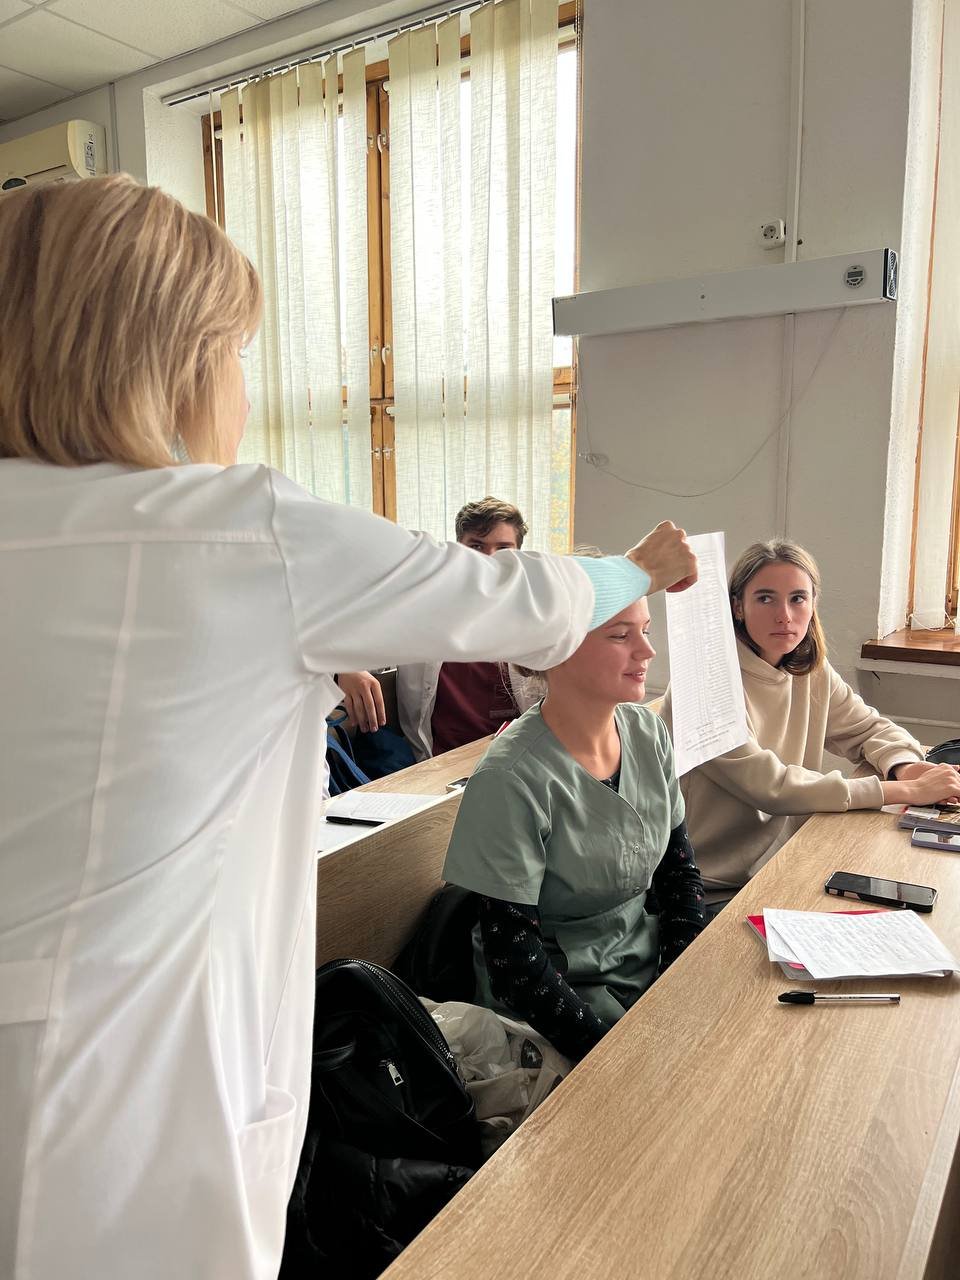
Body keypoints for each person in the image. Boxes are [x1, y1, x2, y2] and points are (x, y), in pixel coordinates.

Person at [0, 174, 698, 1280]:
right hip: (140, 1082)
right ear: (172, 358)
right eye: (235, 353)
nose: (240, 386)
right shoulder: (234, 532)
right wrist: (635, 567)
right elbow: (514, 600)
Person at [441, 588, 706, 1063]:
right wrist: (608, 1056)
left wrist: (676, 990)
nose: (647, 650)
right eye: (620, 635)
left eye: (645, 631)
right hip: (559, 1005)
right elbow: (515, 966)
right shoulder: (509, 778)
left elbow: (679, 876)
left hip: (644, 970)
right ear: (557, 649)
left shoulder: (648, 734)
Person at [660, 539, 960, 916]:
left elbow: (869, 728)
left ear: (813, 603)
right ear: (737, 607)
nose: (784, 615)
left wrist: (905, 766)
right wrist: (907, 790)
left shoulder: (806, 669)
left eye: (798, 598)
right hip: (709, 888)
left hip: (786, 862)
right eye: (765, 598)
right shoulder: (703, 682)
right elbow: (772, 787)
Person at [336, 497, 536, 757]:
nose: (489, 559)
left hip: (516, 762)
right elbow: (353, 637)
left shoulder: (536, 618)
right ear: (459, 550)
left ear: (519, 554)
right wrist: (346, 667)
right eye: (476, 546)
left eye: (503, 548)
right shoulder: (420, 613)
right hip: (439, 766)